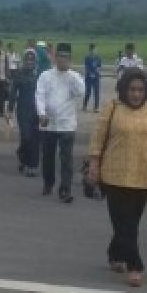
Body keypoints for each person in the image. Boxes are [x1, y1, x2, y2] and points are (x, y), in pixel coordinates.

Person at [87, 68, 147, 287]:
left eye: (140, 90)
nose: (136, 94)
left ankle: (115, 253)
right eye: (132, 89)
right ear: (124, 90)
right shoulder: (113, 108)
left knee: (130, 223)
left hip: (142, 176)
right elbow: (98, 137)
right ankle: (135, 266)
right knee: (125, 223)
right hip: (114, 176)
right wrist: (94, 166)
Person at [35, 43, 85, 202]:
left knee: (66, 159)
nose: (63, 60)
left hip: (67, 124)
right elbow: (39, 95)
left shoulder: (74, 77)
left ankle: (65, 189)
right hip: (48, 123)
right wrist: (41, 113)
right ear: (55, 58)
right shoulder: (45, 76)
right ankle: (48, 183)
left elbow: (81, 92)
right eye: (60, 57)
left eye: (66, 58)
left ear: (70, 59)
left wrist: (72, 76)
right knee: (48, 156)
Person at [10, 49, 41, 177]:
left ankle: (31, 165)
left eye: (32, 59)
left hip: (38, 111)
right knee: (26, 137)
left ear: (35, 61)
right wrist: (9, 110)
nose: (29, 62)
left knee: (36, 139)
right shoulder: (19, 74)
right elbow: (13, 93)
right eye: (27, 59)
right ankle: (22, 154)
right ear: (24, 61)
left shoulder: (40, 75)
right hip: (23, 110)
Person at [83, 43, 102, 112]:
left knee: (96, 92)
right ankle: (84, 105)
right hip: (89, 77)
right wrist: (90, 73)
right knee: (88, 92)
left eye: (95, 49)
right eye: (94, 49)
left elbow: (99, 67)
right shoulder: (87, 58)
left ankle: (96, 107)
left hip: (96, 77)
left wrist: (97, 72)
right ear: (90, 50)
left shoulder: (98, 58)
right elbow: (86, 67)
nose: (95, 51)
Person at [5, 42, 21, 112]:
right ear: (8, 48)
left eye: (12, 47)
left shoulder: (16, 54)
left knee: (14, 85)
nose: (12, 48)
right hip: (9, 70)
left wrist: (18, 70)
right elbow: (6, 63)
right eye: (10, 47)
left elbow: (18, 62)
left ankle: (12, 97)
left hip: (15, 70)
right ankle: (10, 97)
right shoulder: (7, 54)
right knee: (9, 85)